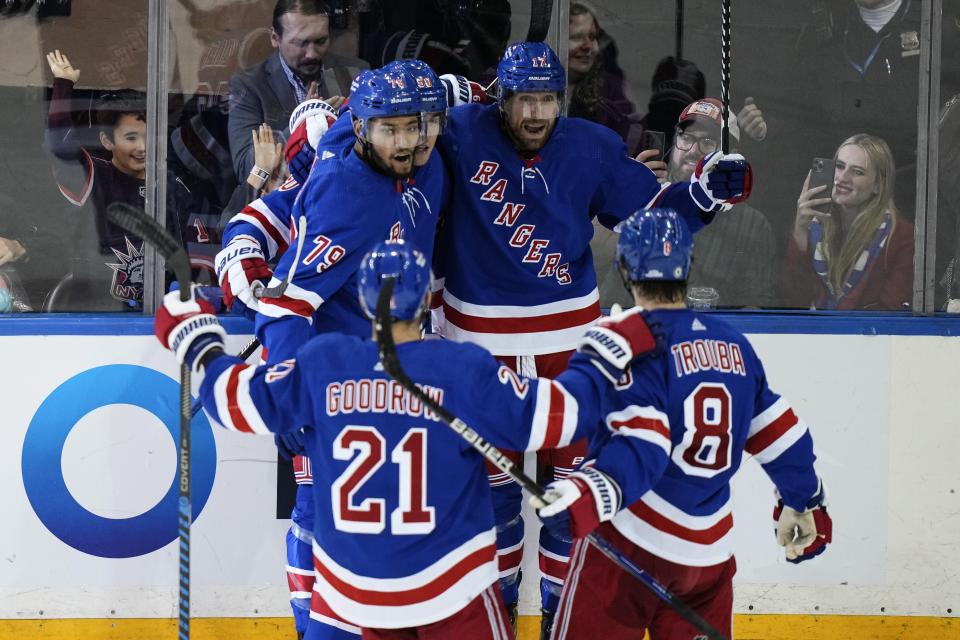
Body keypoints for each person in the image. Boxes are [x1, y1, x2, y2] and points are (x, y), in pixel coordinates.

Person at [153, 239, 663, 638]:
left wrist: (194, 339)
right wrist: (607, 351)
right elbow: (560, 417)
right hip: (450, 591)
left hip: (352, 595)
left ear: (360, 297)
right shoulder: (461, 368)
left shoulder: (323, 362)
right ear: (424, 300)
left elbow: (235, 401)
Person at [433, 42, 752, 637]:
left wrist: (703, 195)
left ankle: (562, 617)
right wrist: (433, 93)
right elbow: (383, 144)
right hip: (478, 352)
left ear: (563, 99)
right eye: (524, 99)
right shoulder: (459, 130)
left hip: (570, 351)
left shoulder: (593, 147)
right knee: (487, 507)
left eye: (547, 99)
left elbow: (653, 218)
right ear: (500, 98)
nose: (535, 113)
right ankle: (493, 618)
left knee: (570, 502)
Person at [534, 208, 833, 639]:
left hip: (628, 549)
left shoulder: (623, 341)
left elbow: (638, 450)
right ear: (688, 266)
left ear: (624, 267)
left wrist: (584, 496)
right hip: (706, 560)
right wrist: (805, 499)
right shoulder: (733, 344)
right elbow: (783, 436)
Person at [43, 50, 220, 311]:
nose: (142, 147)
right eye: (130, 138)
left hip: (161, 317)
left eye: (148, 136)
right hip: (98, 313)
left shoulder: (173, 187)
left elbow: (201, 257)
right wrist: (63, 84)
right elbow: (60, 148)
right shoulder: (95, 177)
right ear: (107, 141)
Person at [598, 98, 777, 310]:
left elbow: (756, 309)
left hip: (710, 339)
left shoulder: (752, 224)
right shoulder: (648, 204)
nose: (692, 150)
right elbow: (598, 271)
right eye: (686, 137)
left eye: (708, 142)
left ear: (731, 155)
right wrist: (629, 197)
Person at [794, 0, 960, 217]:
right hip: (847, 213)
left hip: (925, 212)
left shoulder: (942, 25)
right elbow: (810, 134)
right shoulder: (823, 33)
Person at [228, 0, 368, 185]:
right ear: (275, 38)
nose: (311, 53)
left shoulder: (355, 74)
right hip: (277, 204)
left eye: (320, 41)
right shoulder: (249, 85)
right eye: (300, 43)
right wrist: (301, 123)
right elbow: (246, 168)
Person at [783, 133, 913, 310]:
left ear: (878, 185)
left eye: (857, 172)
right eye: (839, 166)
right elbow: (793, 301)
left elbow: (890, 313)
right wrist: (800, 230)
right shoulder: (813, 227)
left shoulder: (900, 236)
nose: (842, 179)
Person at [565, 3, 638, 143]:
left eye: (592, 37)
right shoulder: (533, 89)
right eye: (577, 37)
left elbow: (633, 135)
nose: (588, 46)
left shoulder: (612, 92)